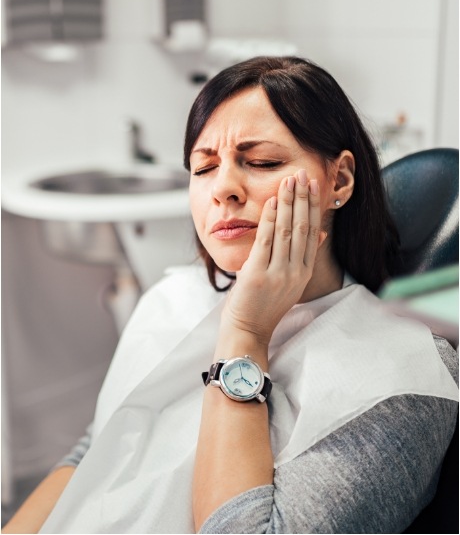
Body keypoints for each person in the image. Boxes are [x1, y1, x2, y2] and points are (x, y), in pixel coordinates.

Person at [3, 56, 458, 535]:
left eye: (261, 162)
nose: (223, 189)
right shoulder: (173, 299)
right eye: (203, 168)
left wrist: (246, 333)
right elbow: (97, 452)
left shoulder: (402, 380)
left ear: (339, 181)